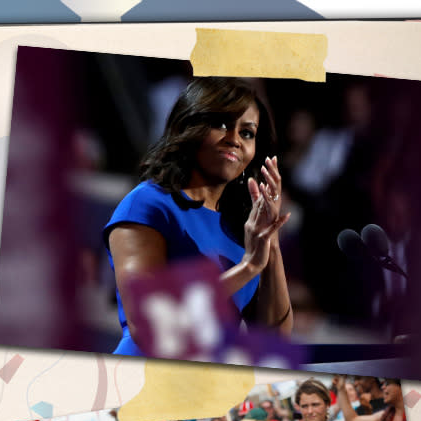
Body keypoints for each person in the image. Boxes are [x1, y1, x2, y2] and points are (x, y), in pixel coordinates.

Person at [104, 77, 293, 357]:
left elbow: (272, 337)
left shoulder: (240, 225)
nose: (235, 140)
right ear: (188, 127)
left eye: (247, 133)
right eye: (221, 124)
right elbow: (148, 323)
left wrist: (271, 240)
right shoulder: (147, 204)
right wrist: (248, 267)